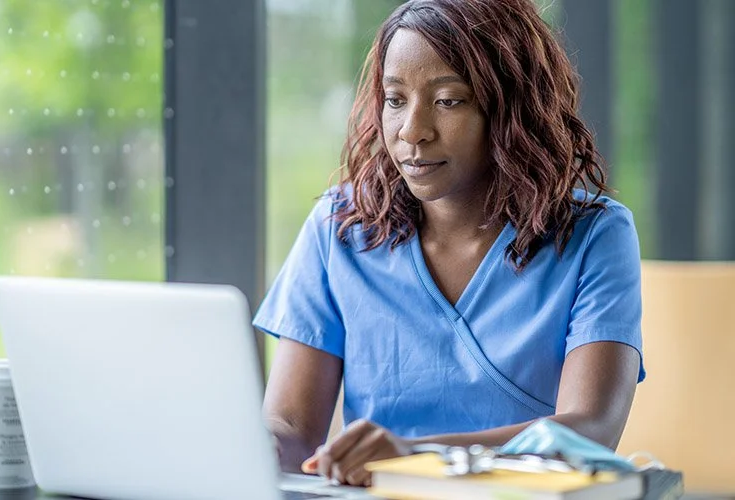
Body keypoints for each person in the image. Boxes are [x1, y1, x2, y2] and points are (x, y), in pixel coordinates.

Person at [253, 0, 643, 488]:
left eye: (448, 101)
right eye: (395, 100)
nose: (413, 131)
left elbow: (589, 430)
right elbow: (293, 431)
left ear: (510, 108)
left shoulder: (595, 235)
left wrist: (414, 456)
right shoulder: (340, 229)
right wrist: (251, 444)